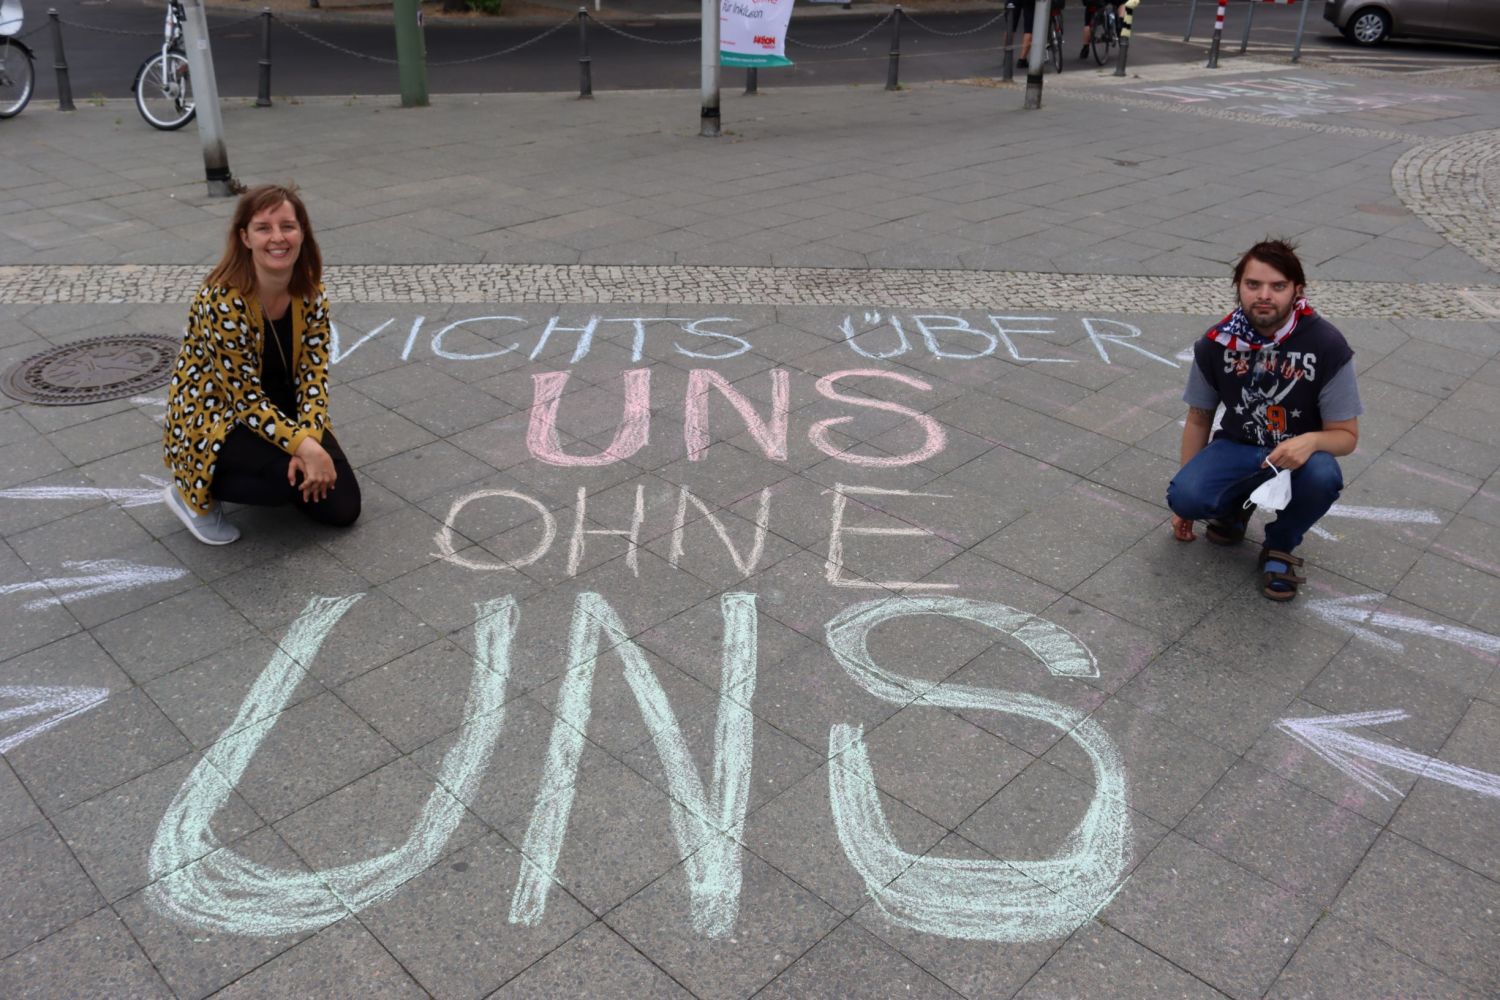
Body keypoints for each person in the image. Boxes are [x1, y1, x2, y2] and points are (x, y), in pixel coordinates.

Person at [161, 183, 360, 545]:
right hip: (218, 416)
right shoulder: (221, 300)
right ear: (245, 237)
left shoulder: (311, 289)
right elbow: (244, 400)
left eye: (287, 226)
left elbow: (314, 375)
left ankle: (282, 463)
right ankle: (191, 490)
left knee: (343, 509)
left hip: (280, 406)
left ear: (302, 232)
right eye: (263, 228)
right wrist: (304, 448)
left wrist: (310, 439)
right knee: (282, 486)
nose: (277, 238)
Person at [1166, 239, 1361, 602]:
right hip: (1239, 446)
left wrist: (1312, 441)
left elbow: (1346, 437)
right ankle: (1236, 512)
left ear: (1297, 290)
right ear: (1239, 288)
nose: (1264, 295)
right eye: (1253, 284)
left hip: (1299, 455)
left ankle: (1280, 546)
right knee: (1186, 496)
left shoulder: (1327, 346)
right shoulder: (1216, 343)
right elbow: (1199, 418)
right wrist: (1184, 497)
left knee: (1324, 475)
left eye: (1278, 286)